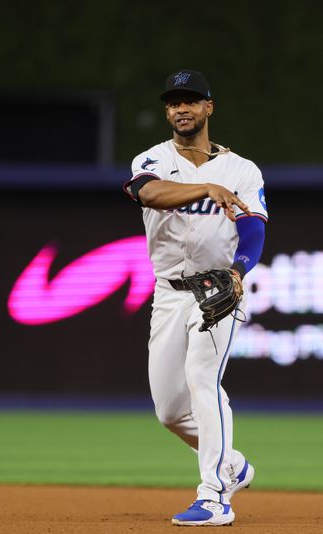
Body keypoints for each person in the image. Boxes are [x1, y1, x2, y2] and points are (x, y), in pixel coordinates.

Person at [123, 70, 268, 527]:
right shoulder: (152, 158)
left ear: (209, 107)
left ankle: (214, 496)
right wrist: (205, 187)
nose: (181, 108)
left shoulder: (242, 170)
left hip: (217, 291)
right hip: (168, 294)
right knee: (169, 410)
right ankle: (232, 465)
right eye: (173, 102)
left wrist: (239, 269)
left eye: (191, 100)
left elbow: (254, 227)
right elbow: (147, 193)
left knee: (203, 381)